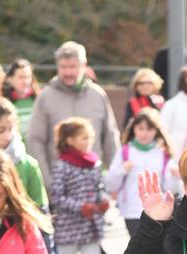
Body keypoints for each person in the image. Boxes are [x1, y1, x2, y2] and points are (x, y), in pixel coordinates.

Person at [27, 42, 120, 194]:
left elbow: (110, 137)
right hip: (59, 188)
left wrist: (115, 178)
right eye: (63, 67)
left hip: (93, 187)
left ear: (84, 66)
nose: (68, 72)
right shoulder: (45, 97)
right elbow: (35, 141)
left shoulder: (97, 95)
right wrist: (48, 182)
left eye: (73, 67)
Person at [44, 118, 107, 254]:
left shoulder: (94, 162)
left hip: (91, 226)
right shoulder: (62, 165)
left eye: (90, 137)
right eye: (83, 137)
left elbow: (100, 188)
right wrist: (80, 206)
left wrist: (103, 200)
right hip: (69, 227)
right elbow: (57, 196)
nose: (88, 141)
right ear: (69, 140)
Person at [105, 108, 179, 238]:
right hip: (131, 211)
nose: (144, 133)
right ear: (134, 128)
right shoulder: (124, 152)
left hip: (157, 211)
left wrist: (174, 177)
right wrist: (122, 170)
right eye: (141, 128)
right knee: (138, 248)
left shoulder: (164, 154)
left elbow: (170, 189)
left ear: (156, 130)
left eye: (149, 129)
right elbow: (111, 185)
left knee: (156, 249)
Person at [3, 59, 38, 139]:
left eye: (28, 77)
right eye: (21, 77)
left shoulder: (38, 100)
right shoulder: (4, 103)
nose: (25, 81)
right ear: (10, 79)